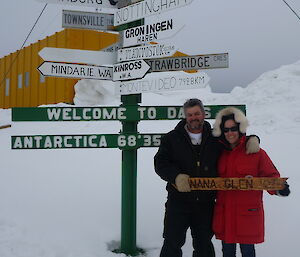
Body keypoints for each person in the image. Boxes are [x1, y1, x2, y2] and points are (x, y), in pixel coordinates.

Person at [154, 99, 260, 257]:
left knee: (204, 245)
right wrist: (175, 176)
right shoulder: (171, 138)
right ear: (185, 116)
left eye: (197, 113)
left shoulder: (215, 138)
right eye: (189, 114)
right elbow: (160, 163)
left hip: (205, 203)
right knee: (172, 243)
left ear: (203, 114)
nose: (193, 117)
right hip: (178, 202)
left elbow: (236, 139)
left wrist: (253, 139)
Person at [211, 106, 290, 257]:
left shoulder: (256, 153)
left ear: (240, 128)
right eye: (226, 130)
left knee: (248, 252)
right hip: (225, 214)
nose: (230, 133)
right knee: (227, 252)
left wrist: (278, 188)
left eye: (233, 128)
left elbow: (270, 176)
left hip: (246, 215)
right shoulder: (219, 153)